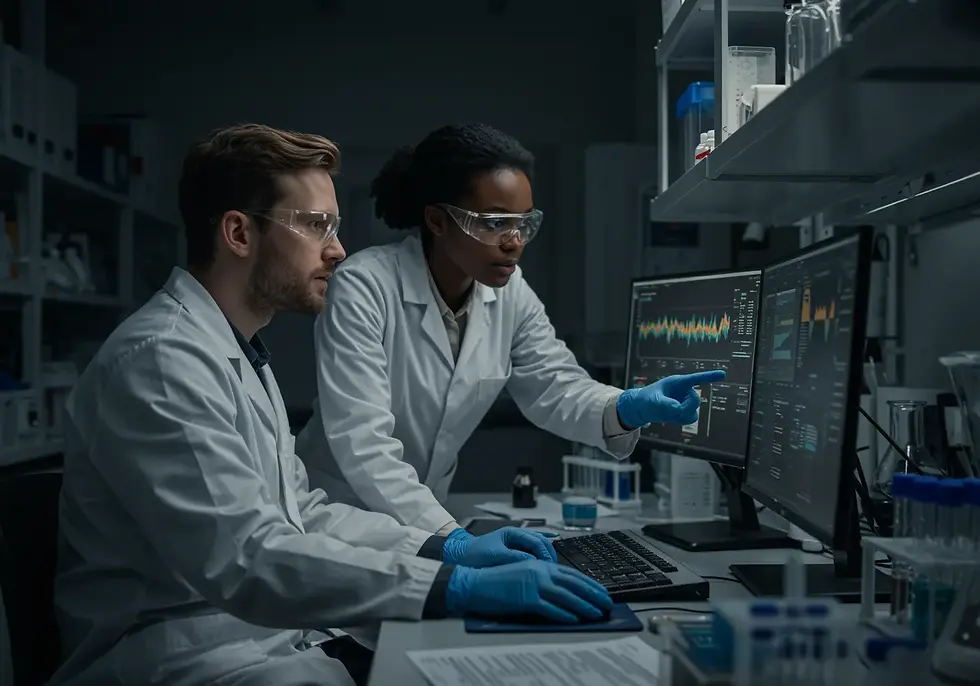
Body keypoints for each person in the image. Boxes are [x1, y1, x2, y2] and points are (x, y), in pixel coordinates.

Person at [50, 123, 613, 686]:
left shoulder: (234, 352)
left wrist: (444, 549)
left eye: (334, 226)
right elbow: (248, 558)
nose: (338, 249)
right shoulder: (161, 361)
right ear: (239, 234)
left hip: (259, 639)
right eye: (315, 225)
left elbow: (304, 512)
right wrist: (448, 585)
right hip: (180, 656)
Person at [295, 122, 726, 535]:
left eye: (523, 223)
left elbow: (555, 387)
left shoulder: (509, 292)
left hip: (425, 521)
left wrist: (627, 406)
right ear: (438, 221)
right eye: (494, 222)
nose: (514, 241)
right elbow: (363, 441)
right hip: (339, 515)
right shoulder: (363, 285)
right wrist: (450, 534)